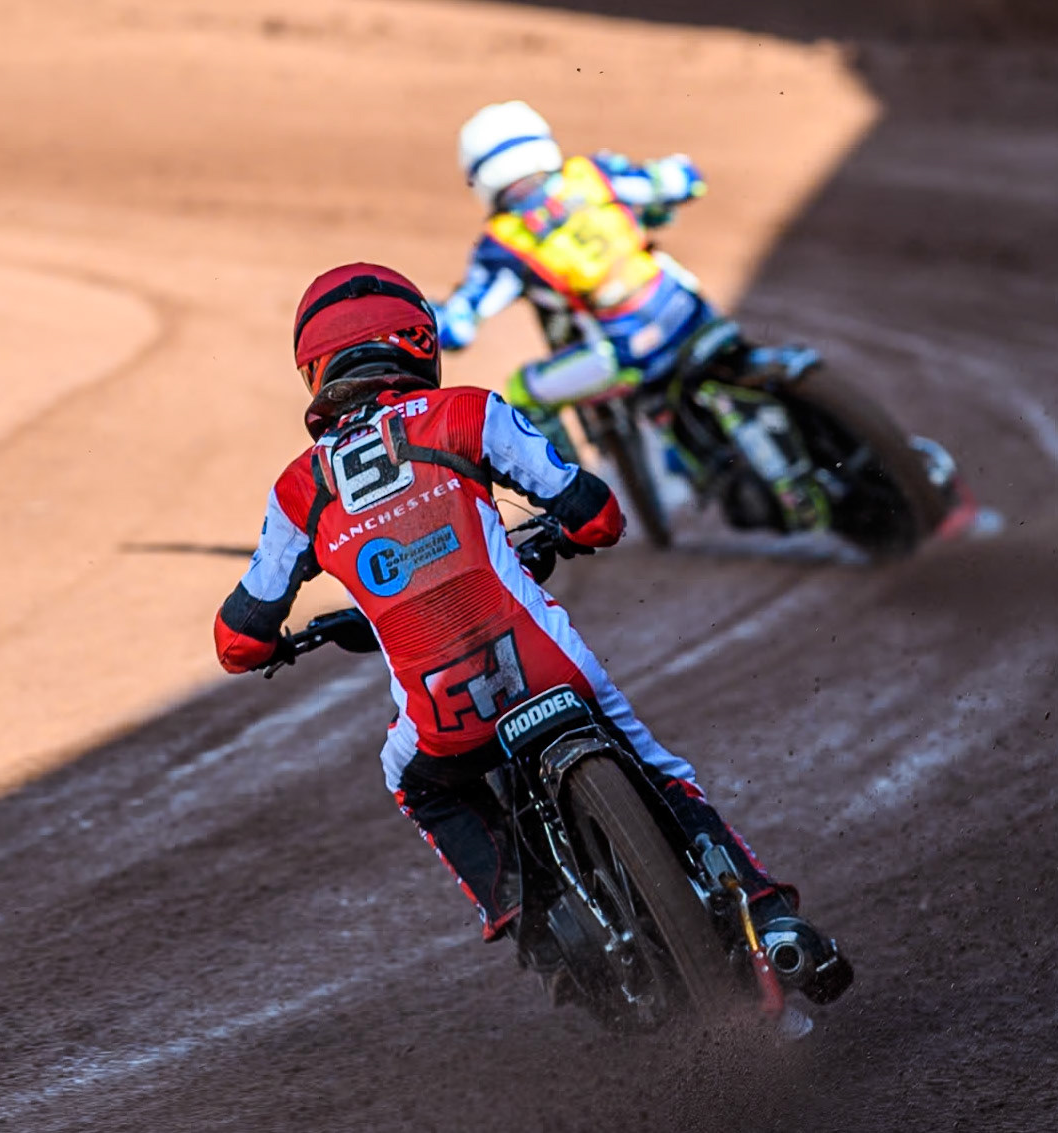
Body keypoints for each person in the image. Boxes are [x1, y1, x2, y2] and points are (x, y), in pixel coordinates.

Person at [214, 261, 848, 1004]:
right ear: (420, 342)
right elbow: (598, 515)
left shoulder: (298, 489)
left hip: (444, 719)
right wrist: (570, 526)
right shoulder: (470, 412)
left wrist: (281, 640)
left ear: (315, 370)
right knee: (657, 764)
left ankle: (531, 926)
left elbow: (238, 641)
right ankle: (769, 915)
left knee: (410, 778)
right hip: (549, 668)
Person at [436, 100, 811, 461]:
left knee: (523, 391)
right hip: (688, 309)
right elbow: (684, 181)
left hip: (627, 348)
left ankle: (566, 489)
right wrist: (674, 183)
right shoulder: (593, 174)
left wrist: (433, 319)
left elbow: (460, 327)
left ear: (480, 176)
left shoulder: (503, 242)